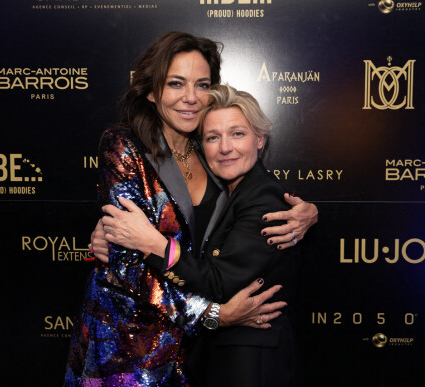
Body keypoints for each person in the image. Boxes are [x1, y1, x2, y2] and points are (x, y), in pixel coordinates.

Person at [65, 31, 317, 387]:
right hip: (130, 345)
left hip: (196, 352)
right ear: (153, 91)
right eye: (176, 83)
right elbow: (126, 262)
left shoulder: (210, 144)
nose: (191, 97)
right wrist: (213, 315)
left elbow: (254, 195)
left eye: (202, 84)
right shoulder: (125, 146)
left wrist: (308, 211)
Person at [95, 84, 302, 386]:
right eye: (212, 137)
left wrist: (153, 244)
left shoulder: (264, 199)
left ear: (260, 139)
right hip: (215, 355)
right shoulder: (227, 192)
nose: (225, 147)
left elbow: (218, 282)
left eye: (238, 134)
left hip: (249, 362)